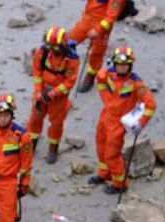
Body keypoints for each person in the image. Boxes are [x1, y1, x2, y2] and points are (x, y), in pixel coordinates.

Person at [91, 46, 157, 194]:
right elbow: (100, 78)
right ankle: (104, 173)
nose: (121, 68)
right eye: (119, 65)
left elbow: (151, 105)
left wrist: (141, 123)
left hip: (119, 123)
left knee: (112, 154)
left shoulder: (136, 84)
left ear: (130, 65)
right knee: (100, 146)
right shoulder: (110, 74)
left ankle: (120, 184)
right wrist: (105, 95)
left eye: (125, 65)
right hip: (106, 116)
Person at [28, 27, 80, 164]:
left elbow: (69, 82)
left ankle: (53, 148)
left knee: (56, 123)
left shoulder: (72, 59)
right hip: (43, 90)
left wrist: (53, 93)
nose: (53, 49)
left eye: (56, 47)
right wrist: (38, 91)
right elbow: (37, 71)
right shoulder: (43, 52)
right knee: (35, 118)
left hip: (59, 97)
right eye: (51, 46)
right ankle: (30, 145)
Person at [71, 0, 128, 94]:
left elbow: (111, 18)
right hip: (87, 19)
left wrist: (98, 30)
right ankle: (63, 65)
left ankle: (91, 75)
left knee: (97, 53)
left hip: (101, 26)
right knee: (70, 40)